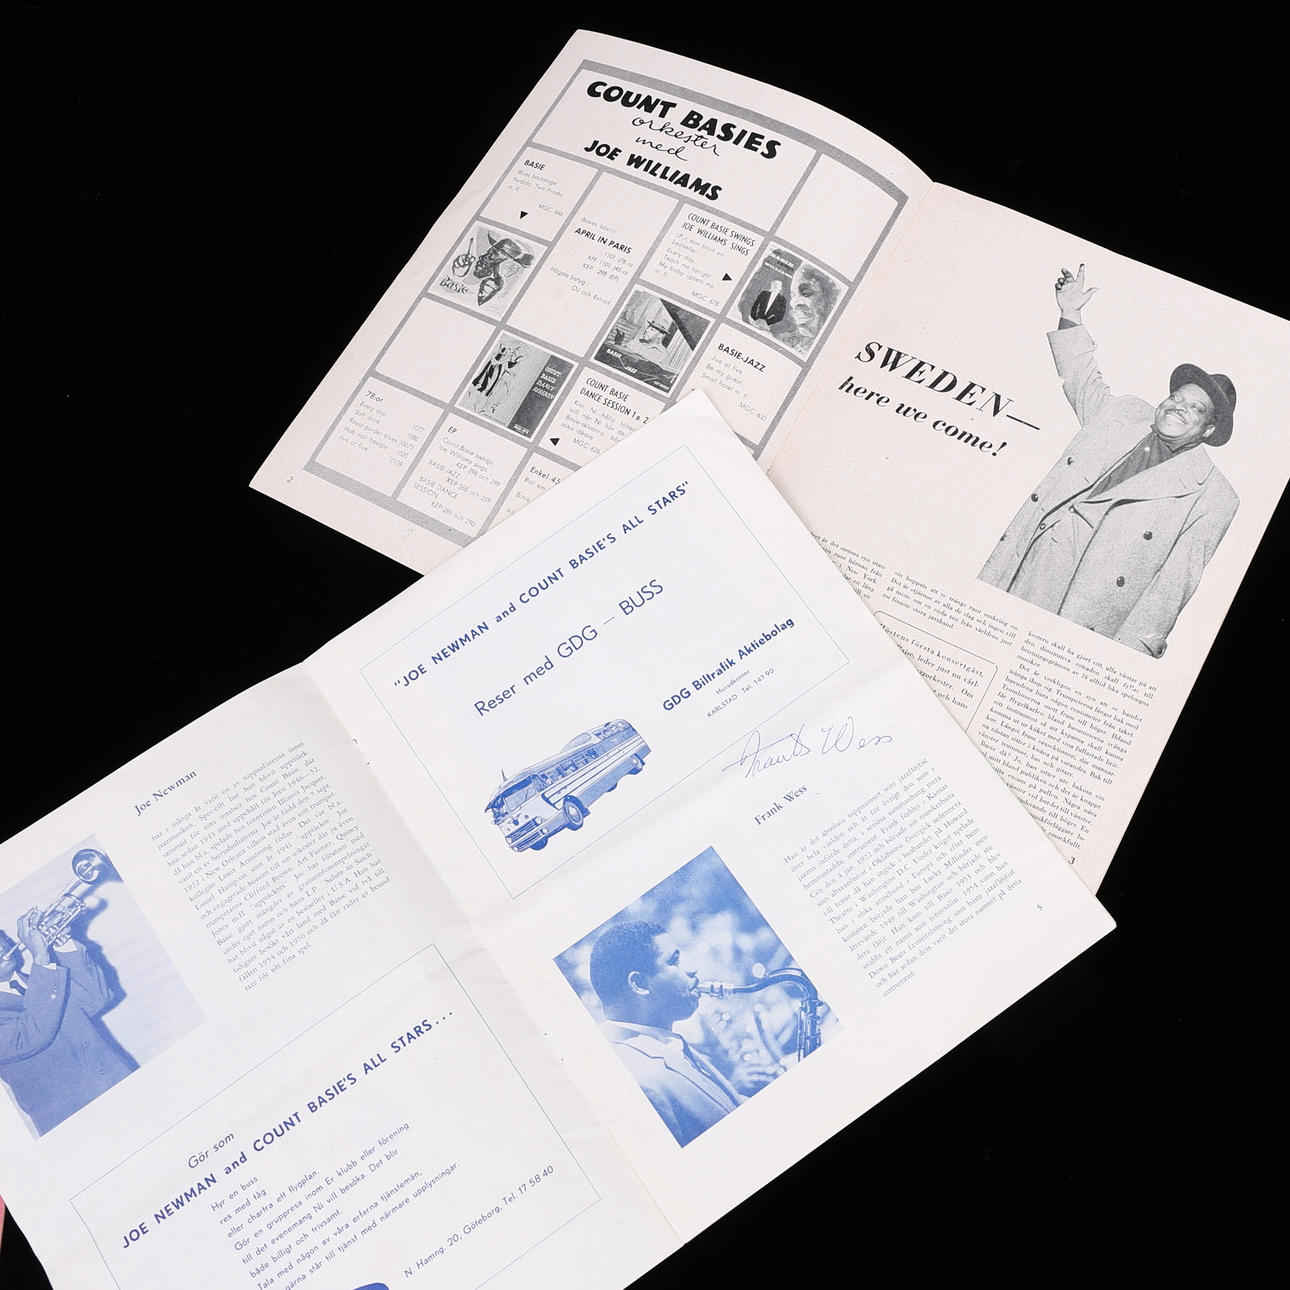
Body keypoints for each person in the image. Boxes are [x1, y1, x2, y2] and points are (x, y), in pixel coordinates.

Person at [980, 265, 1239, 658]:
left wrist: (1127, 656)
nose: (1178, 407)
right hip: (1036, 557)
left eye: (1195, 409)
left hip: (1090, 606)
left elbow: (1172, 588)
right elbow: (1081, 378)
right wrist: (1071, 313)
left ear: (1208, 429)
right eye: (1177, 397)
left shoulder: (1215, 497)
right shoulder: (1124, 414)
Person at [588, 920, 742, 1146]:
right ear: (640, 984)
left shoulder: (661, 1042)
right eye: (674, 961)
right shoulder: (638, 1078)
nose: (692, 969)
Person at [0, 910, 135, 1135]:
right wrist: (41, 958)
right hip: (74, 1121)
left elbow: (96, 998)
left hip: (120, 1084)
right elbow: (34, 1032)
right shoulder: (46, 978)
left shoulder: (45, 979)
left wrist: (63, 945)